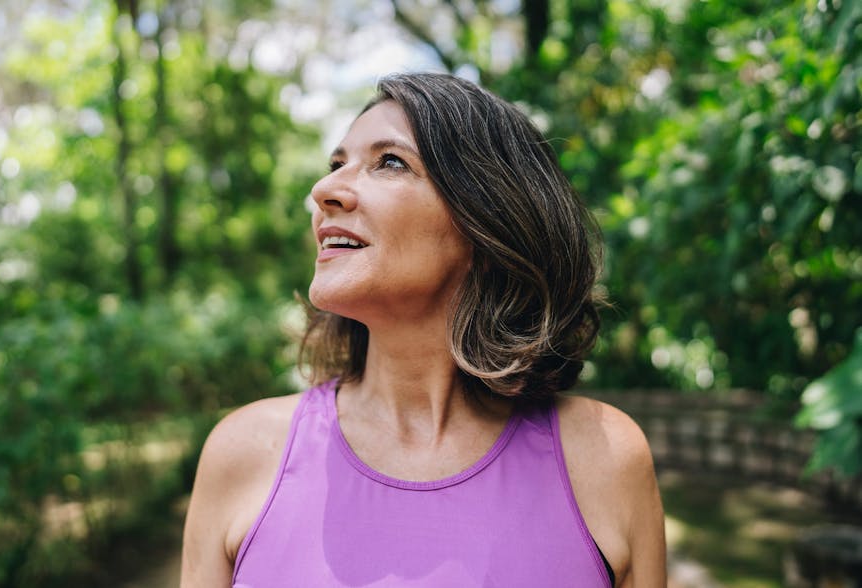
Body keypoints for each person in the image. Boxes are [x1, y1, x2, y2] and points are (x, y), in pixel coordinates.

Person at [181, 72, 666, 587]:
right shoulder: (244, 452)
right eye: (336, 164)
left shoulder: (606, 458)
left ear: (486, 224)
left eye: (390, 162)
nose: (324, 190)